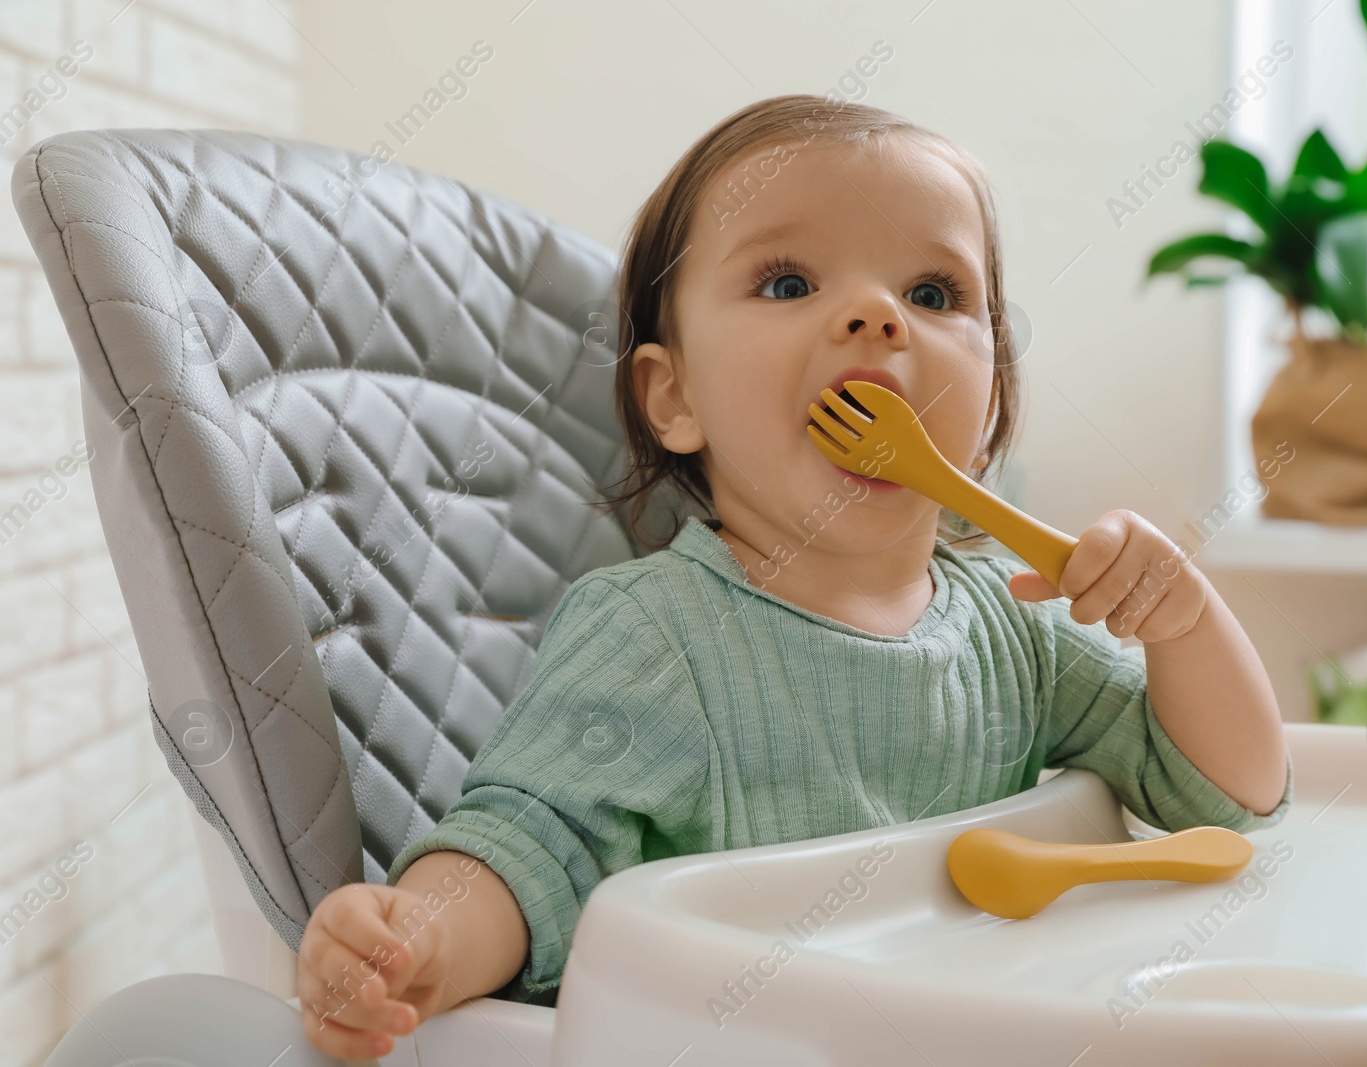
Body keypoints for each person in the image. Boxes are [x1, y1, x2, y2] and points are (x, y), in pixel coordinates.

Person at [295, 93, 1292, 1060]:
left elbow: (1229, 797)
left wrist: (1184, 622)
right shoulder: (653, 636)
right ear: (673, 397)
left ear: (988, 411)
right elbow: (527, 847)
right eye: (786, 282)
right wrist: (417, 936)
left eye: (933, 293)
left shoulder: (1016, 630)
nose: (875, 316)